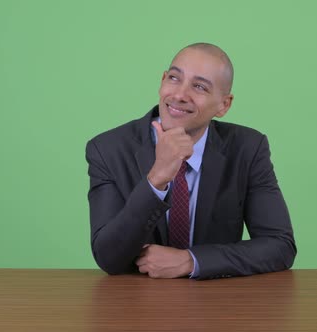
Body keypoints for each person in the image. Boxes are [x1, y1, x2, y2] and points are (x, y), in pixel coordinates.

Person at [85, 43, 296, 280]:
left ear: (224, 105)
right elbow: (108, 257)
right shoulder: (107, 149)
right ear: (163, 80)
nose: (179, 95)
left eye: (199, 86)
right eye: (174, 78)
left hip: (217, 303)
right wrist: (157, 179)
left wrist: (191, 261)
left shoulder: (248, 148)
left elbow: (280, 246)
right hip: (136, 304)